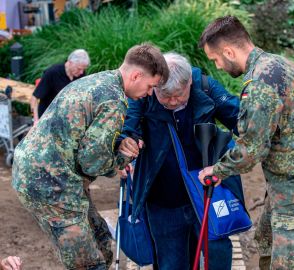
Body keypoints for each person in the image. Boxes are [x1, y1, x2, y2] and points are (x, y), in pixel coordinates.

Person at [12, 44, 169, 270]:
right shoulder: (114, 100)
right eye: (150, 86)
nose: (149, 93)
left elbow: (84, 134)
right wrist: (121, 159)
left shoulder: (98, 81)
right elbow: (92, 161)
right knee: (88, 263)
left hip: (45, 173)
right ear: (136, 75)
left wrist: (116, 143)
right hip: (50, 183)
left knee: (102, 240)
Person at [197, 15, 294, 269]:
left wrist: (216, 171)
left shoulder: (260, 83)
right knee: (266, 239)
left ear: (228, 51)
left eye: (216, 59)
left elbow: (251, 149)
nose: (217, 66)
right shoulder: (276, 62)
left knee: (285, 264)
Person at [118, 52, 246, 270]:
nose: (173, 101)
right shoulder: (145, 95)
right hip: (163, 198)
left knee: (217, 252)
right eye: (165, 96)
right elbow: (126, 128)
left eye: (178, 95)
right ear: (155, 85)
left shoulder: (204, 86)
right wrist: (124, 147)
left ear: (189, 83)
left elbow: (239, 118)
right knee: (170, 262)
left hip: (207, 192)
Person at [30, 49, 90, 125]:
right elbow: (34, 98)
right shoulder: (52, 73)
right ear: (70, 62)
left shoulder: (80, 74)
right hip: (48, 116)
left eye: (83, 69)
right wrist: (35, 120)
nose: (81, 72)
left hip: (67, 117)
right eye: (79, 69)